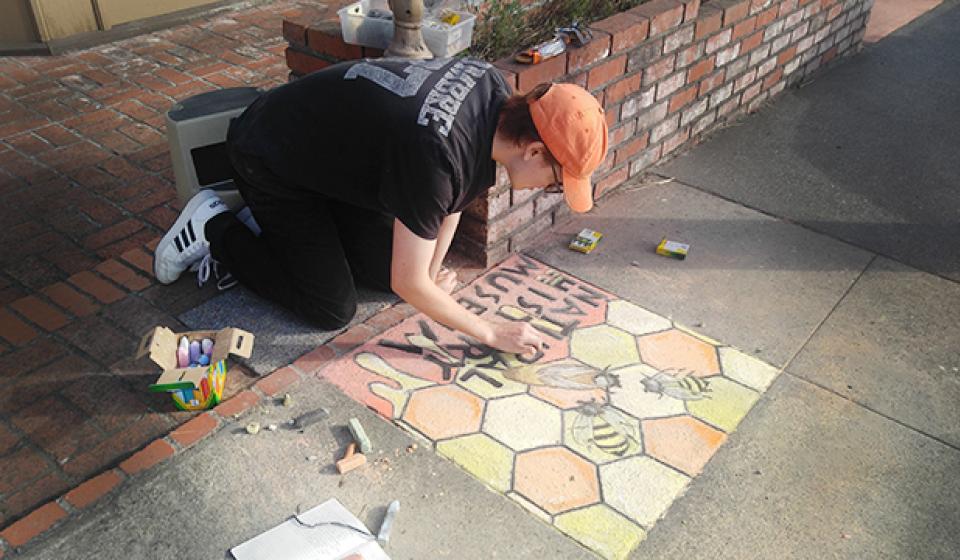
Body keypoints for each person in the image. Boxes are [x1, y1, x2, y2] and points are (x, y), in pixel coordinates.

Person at [154, 56, 607, 356]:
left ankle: (289, 232)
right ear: (532, 150)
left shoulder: (492, 93)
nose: (548, 189)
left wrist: (430, 274)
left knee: (391, 276)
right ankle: (215, 225)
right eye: (555, 182)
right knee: (330, 308)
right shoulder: (434, 156)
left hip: (326, 159)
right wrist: (489, 331)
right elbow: (409, 279)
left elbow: (453, 200)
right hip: (268, 156)